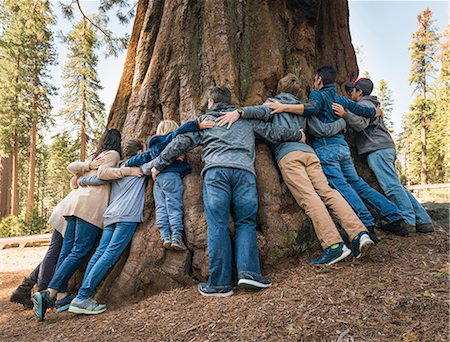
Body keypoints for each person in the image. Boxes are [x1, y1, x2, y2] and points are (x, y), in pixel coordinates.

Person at [142, 86, 305, 297]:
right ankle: (249, 273)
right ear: (229, 101)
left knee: (217, 225)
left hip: (216, 173)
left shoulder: (205, 120)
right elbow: (272, 132)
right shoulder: (244, 117)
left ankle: (219, 284)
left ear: (211, 102)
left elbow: (178, 144)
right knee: (246, 222)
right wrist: (297, 135)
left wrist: (158, 165)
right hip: (244, 173)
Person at [217, 74, 374, 265]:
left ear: (279, 89)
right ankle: (359, 233)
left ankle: (334, 245)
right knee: (328, 192)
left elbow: (259, 113)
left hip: (289, 156)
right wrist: (341, 123)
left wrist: (240, 112)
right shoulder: (303, 108)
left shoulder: (272, 103)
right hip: (310, 154)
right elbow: (320, 130)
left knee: (310, 198)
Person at [265, 66, 407, 242]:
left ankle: (366, 223)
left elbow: (313, 110)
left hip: (326, 149)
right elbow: (367, 111)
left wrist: (283, 107)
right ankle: (393, 214)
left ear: (318, 79)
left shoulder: (317, 95)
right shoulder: (340, 99)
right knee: (358, 184)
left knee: (341, 187)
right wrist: (374, 112)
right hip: (342, 147)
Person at [32, 129, 124, 321]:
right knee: (79, 251)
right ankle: (49, 293)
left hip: (74, 206)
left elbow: (74, 176)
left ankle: (61, 296)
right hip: (90, 207)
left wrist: (84, 172)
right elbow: (103, 175)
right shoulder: (113, 155)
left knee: (68, 250)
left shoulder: (95, 156)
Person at [333, 77, 433, 234]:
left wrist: (345, 114)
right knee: (396, 184)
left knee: (391, 186)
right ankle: (423, 219)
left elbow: (360, 124)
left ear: (359, 92)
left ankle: (407, 221)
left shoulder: (364, 104)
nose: (350, 93)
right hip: (383, 147)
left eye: (352, 90)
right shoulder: (370, 104)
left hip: (377, 149)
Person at [67, 140, 146, 315]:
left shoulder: (114, 170)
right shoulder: (141, 167)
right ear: (141, 151)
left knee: (99, 254)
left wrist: (80, 181)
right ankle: (82, 297)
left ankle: (81, 295)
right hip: (126, 217)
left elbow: (93, 179)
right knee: (109, 255)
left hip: (109, 216)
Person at [125, 118, 215, 250]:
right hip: (171, 176)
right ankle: (176, 237)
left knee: (161, 207)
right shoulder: (171, 139)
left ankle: (165, 236)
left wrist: (127, 163)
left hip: (158, 180)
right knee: (173, 206)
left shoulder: (154, 146)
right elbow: (182, 130)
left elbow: (141, 158)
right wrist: (197, 124)